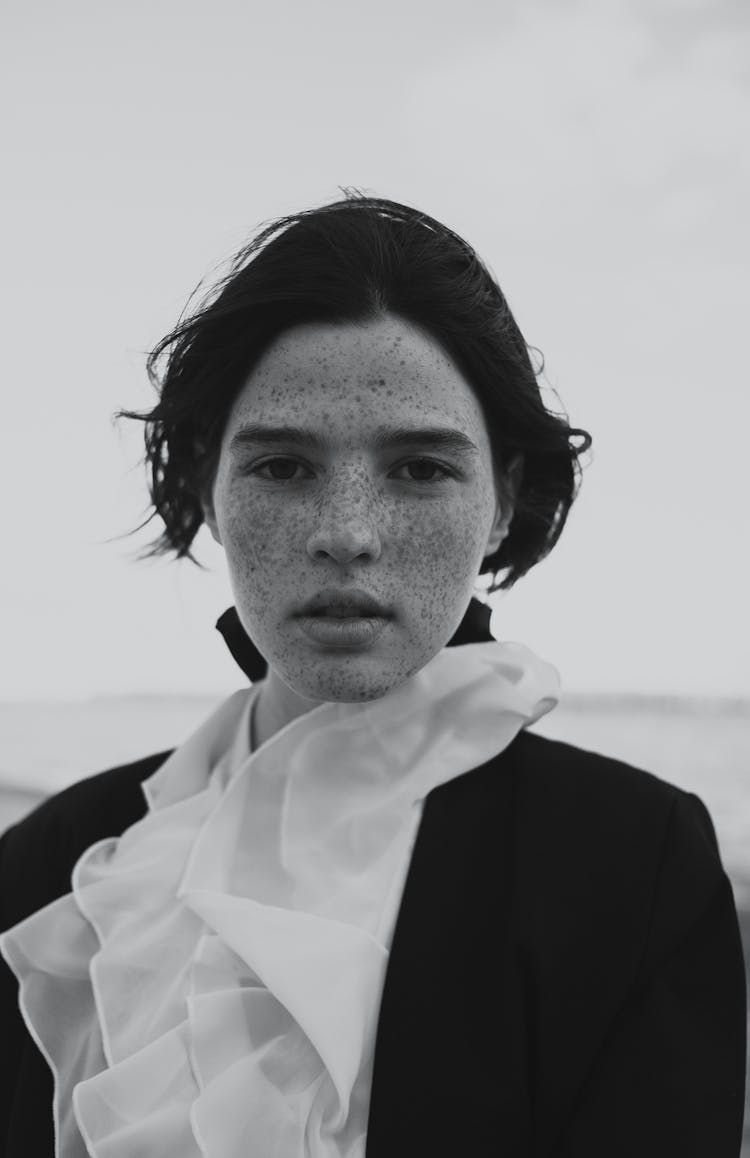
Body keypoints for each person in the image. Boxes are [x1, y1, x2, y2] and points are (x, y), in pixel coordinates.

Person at [0, 192, 745, 1158]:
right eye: (281, 466)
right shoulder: (56, 865)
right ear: (206, 490)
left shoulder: (636, 865)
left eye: (421, 469)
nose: (347, 533)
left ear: (503, 499)